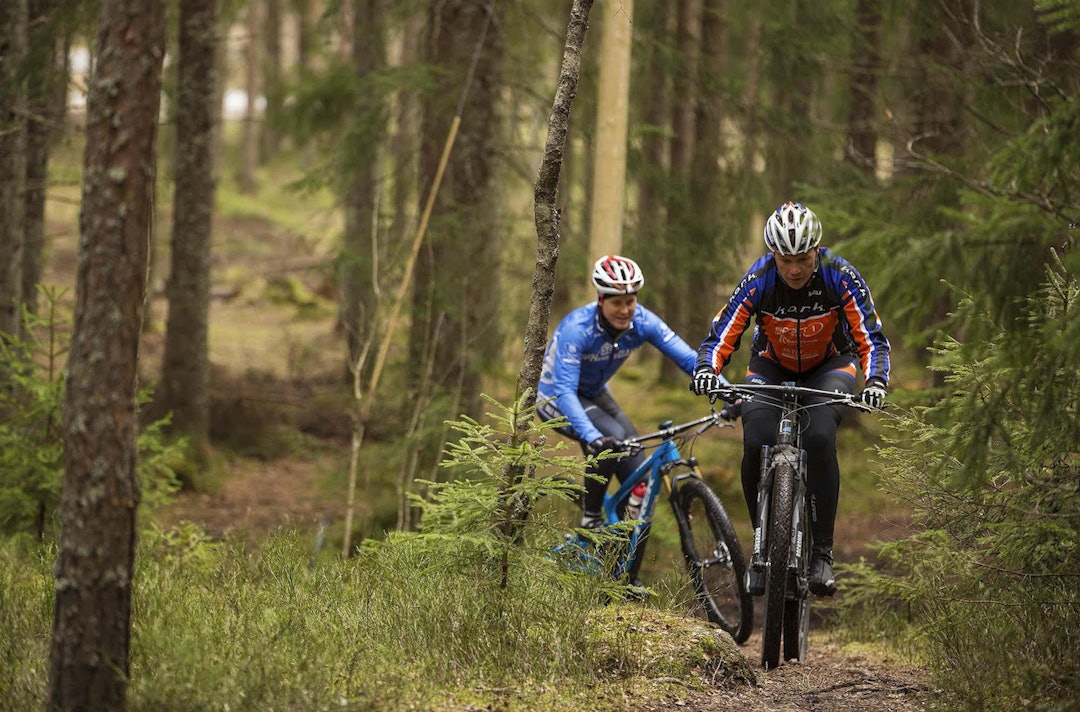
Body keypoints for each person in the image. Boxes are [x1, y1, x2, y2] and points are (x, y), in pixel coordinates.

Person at [690, 201, 890, 596]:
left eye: (802, 258)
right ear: (773, 256)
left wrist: (876, 382)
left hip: (831, 365)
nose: (794, 269)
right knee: (754, 441)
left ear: (817, 250)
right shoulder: (760, 278)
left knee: (817, 438)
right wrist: (706, 370)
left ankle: (823, 556)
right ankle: (763, 546)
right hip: (770, 366)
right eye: (786, 260)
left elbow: (871, 337)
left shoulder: (840, 275)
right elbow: (723, 332)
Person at [538, 254, 726, 586]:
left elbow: (688, 359)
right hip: (556, 397)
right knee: (608, 436)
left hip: (595, 393)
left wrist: (728, 393)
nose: (626, 310)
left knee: (642, 487)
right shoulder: (577, 328)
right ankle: (591, 516)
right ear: (601, 300)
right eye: (618, 303)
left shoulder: (642, 321)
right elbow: (566, 391)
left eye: (631, 301)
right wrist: (591, 436)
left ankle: (628, 580)